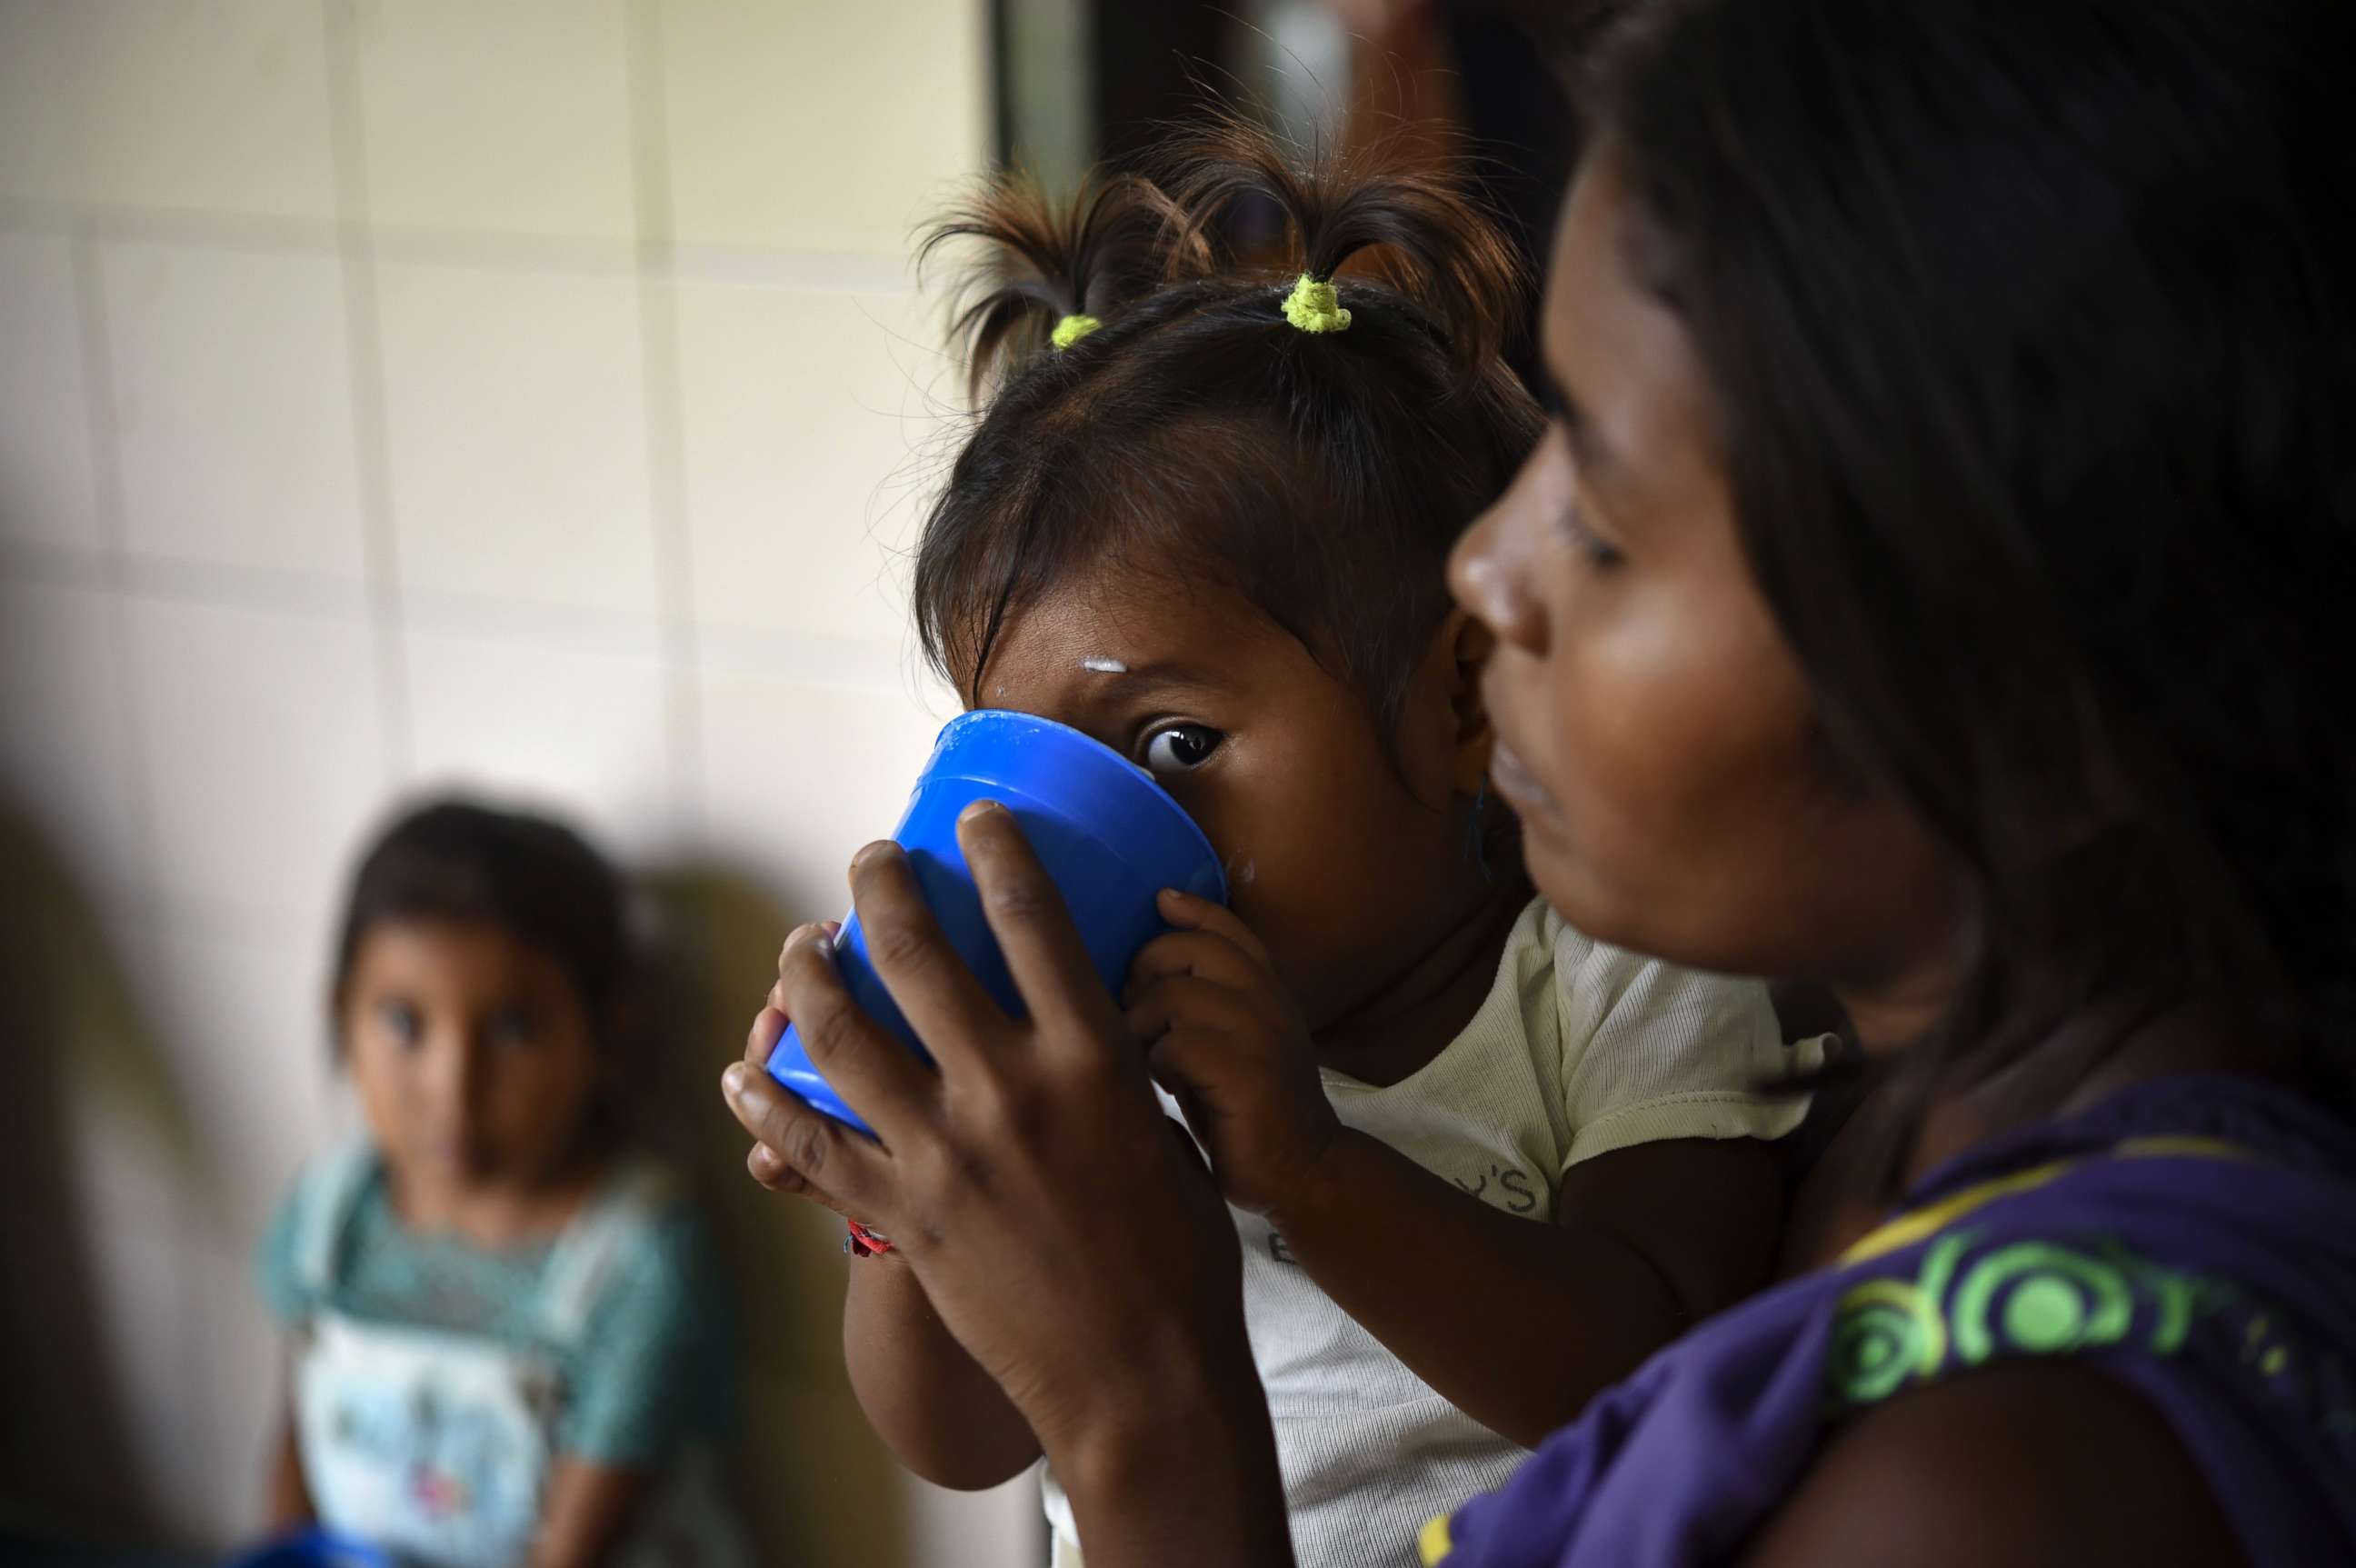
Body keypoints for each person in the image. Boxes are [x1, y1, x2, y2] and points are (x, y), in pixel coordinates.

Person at [719, 0, 2356, 1561]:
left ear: (1989, 625)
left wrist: (1144, 1403)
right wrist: (910, 1182)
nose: (1487, 575)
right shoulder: (1922, 1142)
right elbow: (951, 1430)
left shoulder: (2034, 1473)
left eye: (1606, 516)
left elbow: (1624, 1358)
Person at [783, 124, 1825, 1567]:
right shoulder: (1099, 1067)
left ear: (1461, 699)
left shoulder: (1616, 979)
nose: (1085, 837)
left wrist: (1311, 1168)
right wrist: (907, 1189)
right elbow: (963, 1442)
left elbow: (1657, 1374)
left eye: (1173, 749)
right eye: (1021, 770)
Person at [257, 800, 744, 1568]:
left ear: (608, 1036)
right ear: (339, 1014)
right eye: (404, 1023)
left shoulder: (635, 1263)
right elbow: (295, 1450)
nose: (454, 1087)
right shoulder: (327, 1220)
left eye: (514, 1028)